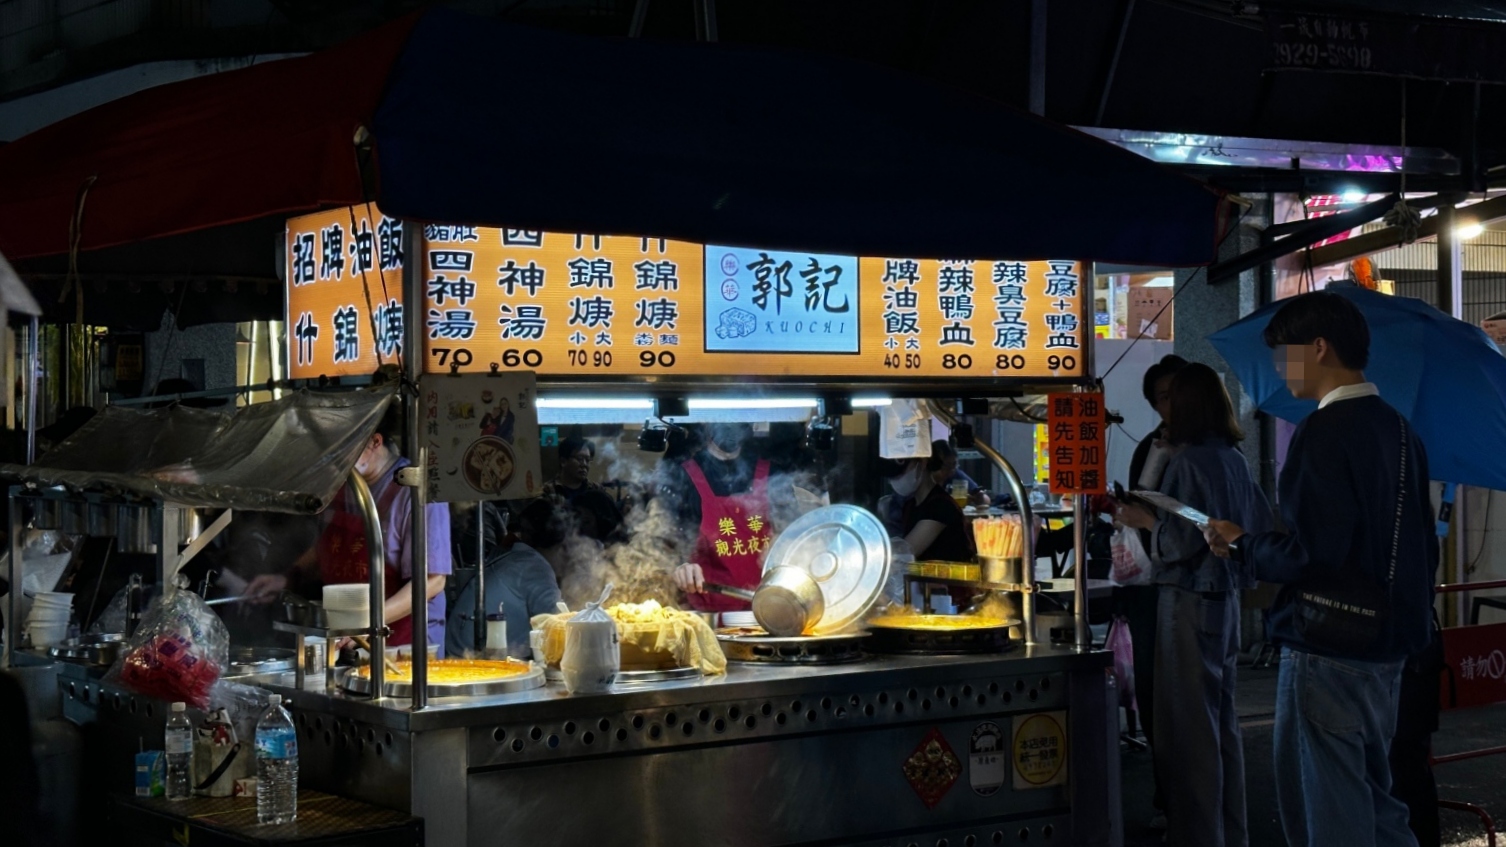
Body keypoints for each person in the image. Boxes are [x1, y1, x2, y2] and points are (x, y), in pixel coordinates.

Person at [1204, 291, 1436, 847]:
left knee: (1327, 812)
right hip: (1389, 646)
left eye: (1285, 354)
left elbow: (1312, 553)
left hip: (1328, 647)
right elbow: (1420, 542)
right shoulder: (1400, 430)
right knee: (1375, 802)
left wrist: (1243, 546)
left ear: (1319, 347)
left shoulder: (1324, 431)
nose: (1282, 370)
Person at [1117, 362, 1271, 847]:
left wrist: (1143, 520)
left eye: (1170, 399)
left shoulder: (1186, 464)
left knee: (1187, 733)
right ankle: (1230, 831)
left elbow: (1182, 536)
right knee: (1221, 726)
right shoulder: (1233, 458)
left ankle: (1197, 836)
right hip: (1226, 603)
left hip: (1186, 601)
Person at [244, 405, 454, 655]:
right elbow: (329, 546)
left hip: (406, 647)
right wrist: (287, 578)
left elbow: (432, 581)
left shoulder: (414, 491)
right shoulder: (346, 486)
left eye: (344, 451)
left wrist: (369, 623)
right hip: (348, 639)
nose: (335, 462)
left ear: (374, 442)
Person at [1120, 352, 1188, 830]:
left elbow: (1209, 528)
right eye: (1163, 397)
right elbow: (1138, 509)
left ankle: (1198, 812)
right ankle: (1171, 800)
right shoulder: (1150, 449)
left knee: (1191, 706)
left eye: (1178, 393)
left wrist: (1151, 523)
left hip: (1193, 596)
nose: (1172, 404)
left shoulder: (1211, 452)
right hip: (1149, 590)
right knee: (1154, 698)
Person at [667, 422, 773, 610]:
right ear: (704, 422)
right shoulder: (683, 477)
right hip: (708, 614)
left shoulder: (772, 474)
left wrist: (782, 545)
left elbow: (796, 539)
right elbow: (666, 545)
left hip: (767, 611)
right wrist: (680, 566)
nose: (730, 425)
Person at [446, 499, 562, 659]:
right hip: (474, 662)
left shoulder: (516, 558)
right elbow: (556, 627)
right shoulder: (534, 567)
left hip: (455, 652)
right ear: (561, 543)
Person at [881, 454, 974, 562]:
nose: (896, 479)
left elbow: (905, 552)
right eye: (892, 476)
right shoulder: (911, 504)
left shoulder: (940, 506)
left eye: (901, 472)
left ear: (922, 463)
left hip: (946, 577)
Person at [542, 436, 611, 506]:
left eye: (587, 460)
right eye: (580, 459)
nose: (584, 464)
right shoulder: (548, 491)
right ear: (563, 461)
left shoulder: (596, 490)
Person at [929, 439, 992, 508]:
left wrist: (980, 499)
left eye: (954, 465)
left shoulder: (956, 475)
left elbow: (986, 500)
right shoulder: (923, 479)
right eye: (947, 466)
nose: (951, 470)